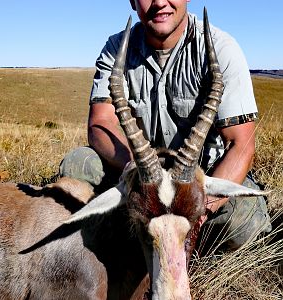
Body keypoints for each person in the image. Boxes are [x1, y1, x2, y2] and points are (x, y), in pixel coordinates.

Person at [59, 0, 271, 250]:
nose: (160, 2)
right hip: (141, 179)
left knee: (242, 219)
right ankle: (136, 237)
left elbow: (241, 143)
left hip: (199, 182)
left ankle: (165, 240)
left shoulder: (221, 47)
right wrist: (139, 172)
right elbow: (101, 122)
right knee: (77, 166)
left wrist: (201, 208)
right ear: (132, 1)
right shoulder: (116, 48)